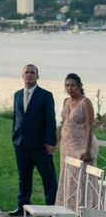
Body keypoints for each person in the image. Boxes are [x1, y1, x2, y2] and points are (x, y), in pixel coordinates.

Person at [9, 64, 57, 216]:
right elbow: (15, 117)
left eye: (32, 73)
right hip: (21, 145)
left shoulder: (45, 95)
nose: (29, 75)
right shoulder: (17, 95)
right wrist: (14, 134)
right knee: (24, 178)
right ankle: (22, 208)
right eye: (26, 72)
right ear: (22, 75)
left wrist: (50, 142)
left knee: (49, 179)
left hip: (40, 146)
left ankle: (52, 210)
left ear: (37, 76)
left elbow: (51, 120)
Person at [55, 73, 98, 209]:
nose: (70, 88)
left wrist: (87, 150)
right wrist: (55, 141)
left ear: (79, 86)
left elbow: (90, 127)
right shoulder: (65, 101)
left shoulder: (85, 102)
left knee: (81, 180)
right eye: (67, 85)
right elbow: (63, 123)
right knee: (67, 178)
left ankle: (83, 210)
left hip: (81, 147)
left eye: (73, 85)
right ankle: (66, 209)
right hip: (66, 148)